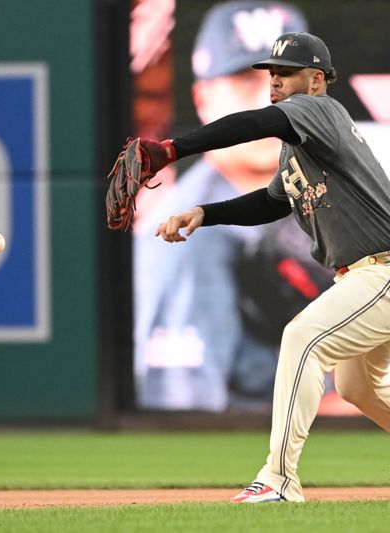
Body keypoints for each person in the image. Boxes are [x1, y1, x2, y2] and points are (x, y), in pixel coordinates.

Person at [141, 32, 390, 502]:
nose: (274, 81)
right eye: (271, 74)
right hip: (373, 276)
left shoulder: (320, 111)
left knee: (301, 337)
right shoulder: (300, 145)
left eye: (286, 73)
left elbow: (254, 123)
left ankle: (279, 478)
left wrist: (174, 148)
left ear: (316, 80)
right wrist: (206, 213)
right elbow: (274, 200)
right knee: (359, 385)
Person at [133, 1, 317, 412]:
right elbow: (182, 407)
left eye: (287, 78)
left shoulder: (321, 187)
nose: (272, 99)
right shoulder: (184, 236)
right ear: (203, 99)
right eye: (243, 81)